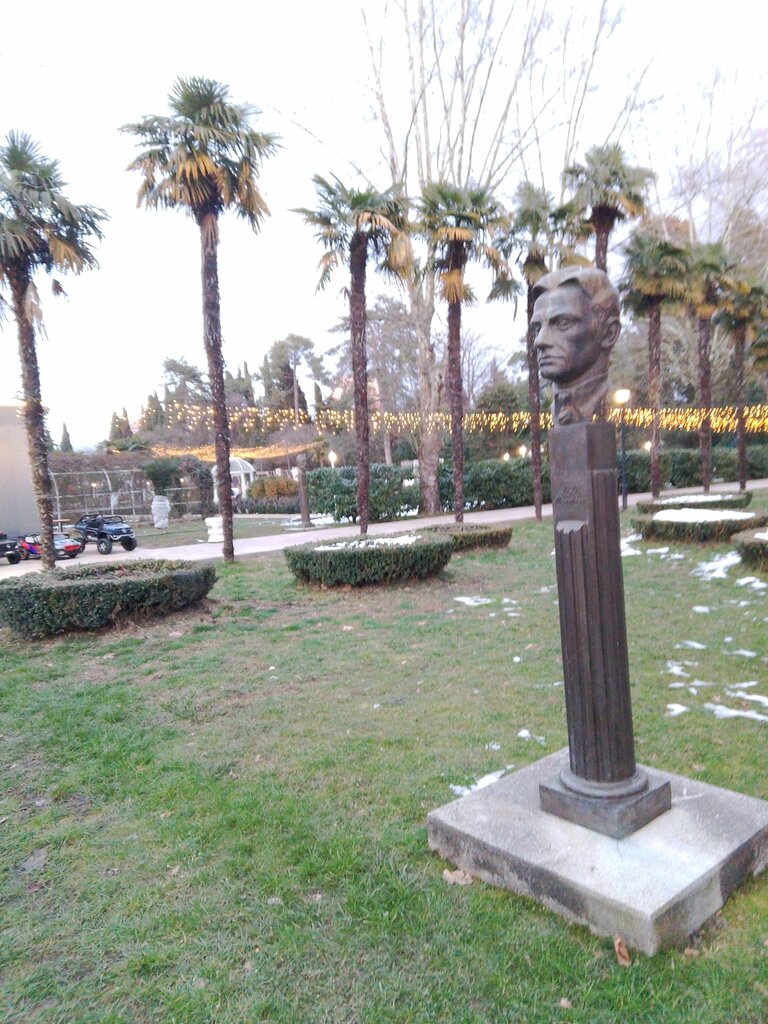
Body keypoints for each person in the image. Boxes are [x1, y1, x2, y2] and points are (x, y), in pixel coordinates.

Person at [531, 267, 621, 427]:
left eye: (563, 323)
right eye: (538, 328)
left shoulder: (614, 403)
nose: (539, 341)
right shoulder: (557, 407)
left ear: (609, 333)